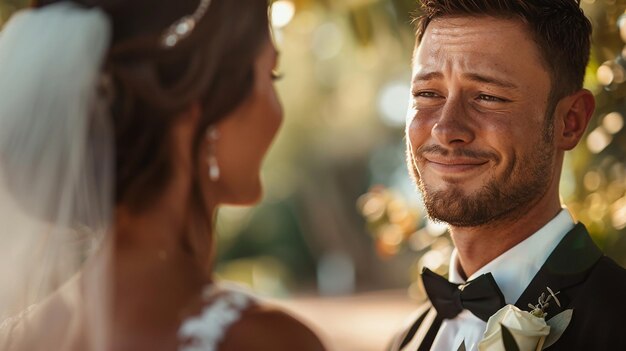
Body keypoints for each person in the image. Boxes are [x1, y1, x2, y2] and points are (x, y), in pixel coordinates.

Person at [0, 0, 326, 350]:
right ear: (201, 106)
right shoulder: (260, 342)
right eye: (271, 75)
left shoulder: (19, 337)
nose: (278, 112)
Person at [389, 0, 626, 350]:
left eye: (488, 96)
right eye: (427, 94)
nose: (445, 128)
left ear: (570, 121)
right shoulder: (403, 340)